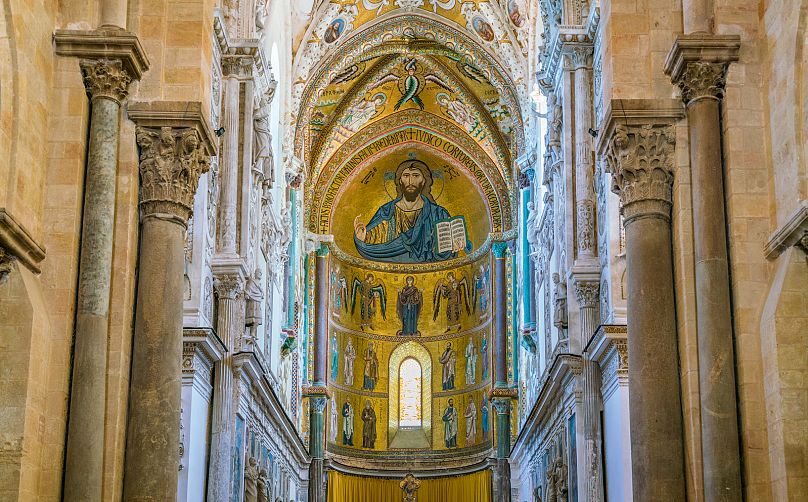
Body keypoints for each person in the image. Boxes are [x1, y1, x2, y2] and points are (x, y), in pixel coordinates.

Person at [353, 159, 468, 263]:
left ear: (424, 181)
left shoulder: (438, 214)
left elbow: (442, 254)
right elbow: (372, 244)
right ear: (400, 181)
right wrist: (361, 238)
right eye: (406, 175)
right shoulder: (386, 212)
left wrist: (453, 248)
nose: (410, 181)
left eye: (416, 176)